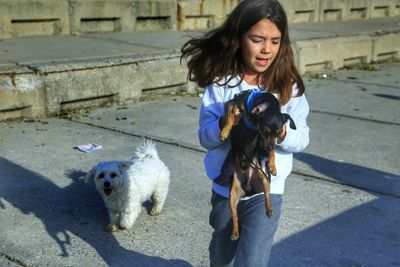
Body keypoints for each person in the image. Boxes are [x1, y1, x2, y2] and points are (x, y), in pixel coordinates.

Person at [180, 0, 310, 266]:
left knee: (252, 261)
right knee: (222, 255)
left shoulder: (288, 87)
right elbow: (205, 138)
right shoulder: (222, 85)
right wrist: (222, 125)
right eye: (257, 39)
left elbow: (303, 138)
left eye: (275, 41)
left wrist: (282, 132)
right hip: (226, 187)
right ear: (239, 39)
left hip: (267, 191)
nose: (266, 50)